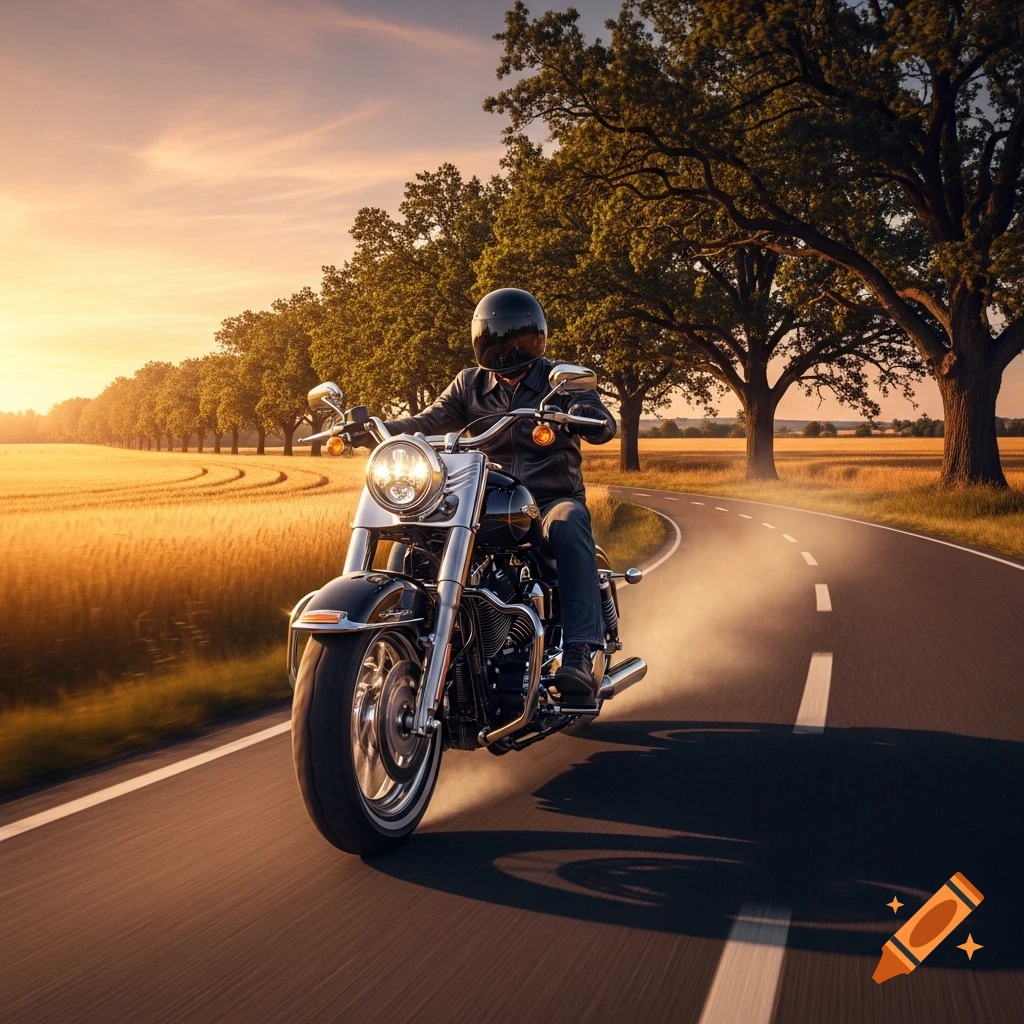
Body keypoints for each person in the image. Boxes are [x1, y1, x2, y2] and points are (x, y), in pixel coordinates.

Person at [370, 288, 617, 702]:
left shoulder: (561, 380)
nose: (506, 348)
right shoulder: (469, 384)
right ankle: (406, 640)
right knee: (413, 534)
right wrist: (376, 425)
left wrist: (587, 418)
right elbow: (429, 420)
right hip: (487, 501)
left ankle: (578, 651)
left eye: (514, 339)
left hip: (548, 500)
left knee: (570, 523)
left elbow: (602, 421)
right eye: (497, 338)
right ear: (482, 340)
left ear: (534, 338)